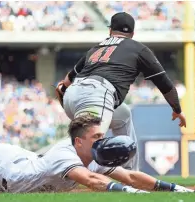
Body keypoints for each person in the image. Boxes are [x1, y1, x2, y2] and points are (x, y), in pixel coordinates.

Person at [0, 34, 195, 194]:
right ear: (79, 141)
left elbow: (132, 176)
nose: (103, 138)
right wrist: (133, 194)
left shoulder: (92, 153)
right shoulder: (65, 155)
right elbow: (91, 180)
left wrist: (175, 188)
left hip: (21, 160)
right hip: (7, 171)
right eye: (97, 135)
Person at [57, 12, 186, 170]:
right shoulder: (138, 48)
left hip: (73, 95)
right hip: (97, 95)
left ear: (110, 30)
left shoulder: (95, 49)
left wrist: (67, 98)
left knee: (123, 115)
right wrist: (177, 109)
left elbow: (66, 82)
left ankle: (131, 174)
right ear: (132, 33)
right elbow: (164, 83)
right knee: (90, 145)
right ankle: (49, 174)